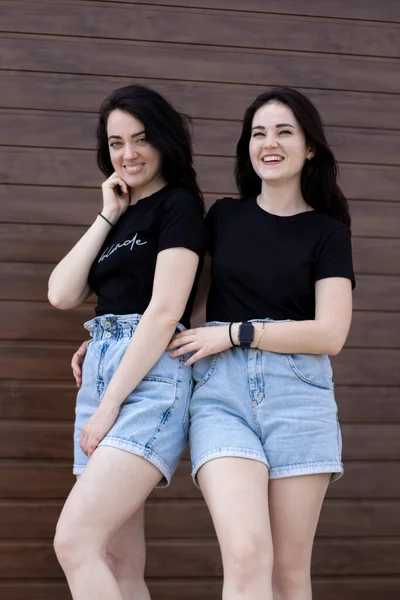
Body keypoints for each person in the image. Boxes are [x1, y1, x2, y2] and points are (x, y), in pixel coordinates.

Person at [167, 87, 355, 600]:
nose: (269, 143)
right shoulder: (223, 218)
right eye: (258, 133)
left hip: (299, 397)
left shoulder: (328, 233)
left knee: (289, 573)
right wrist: (107, 340)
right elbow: (175, 303)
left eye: (284, 131)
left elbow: (331, 332)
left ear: (310, 147)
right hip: (222, 399)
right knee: (249, 555)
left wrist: (236, 331)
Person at [48, 83, 204, 600]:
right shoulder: (120, 212)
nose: (129, 154)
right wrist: (107, 214)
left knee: (75, 542)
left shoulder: (179, 206)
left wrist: (109, 403)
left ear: (162, 140)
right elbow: (62, 293)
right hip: (101, 374)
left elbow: (163, 314)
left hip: (144, 380)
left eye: (140, 139)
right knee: (118, 559)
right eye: (116, 143)